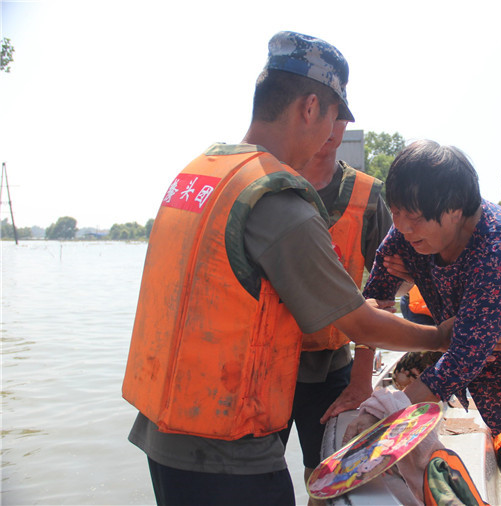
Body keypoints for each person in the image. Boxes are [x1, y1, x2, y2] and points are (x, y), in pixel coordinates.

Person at [122, 32, 450, 506]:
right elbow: (357, 321)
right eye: (333, 117)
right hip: (226, 452)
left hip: (165, 431)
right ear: (310, 108)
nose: (332, 133)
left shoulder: (202, 174)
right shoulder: (276, 201)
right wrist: (442, 336)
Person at [348, 140, 501, 505]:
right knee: (401, 377)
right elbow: (375, 299)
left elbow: (463, 359)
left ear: (456, 210)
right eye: (395, 212)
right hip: (472, 344)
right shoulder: (407, 231)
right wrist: (360, 387)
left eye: (414, 217)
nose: (402, 228)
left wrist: (387, 418)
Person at [278, 118, 393, 498]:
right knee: (260, 474)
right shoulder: (267, 186)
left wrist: (362, 378)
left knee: (326, 474)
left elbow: (383, 293)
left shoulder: (368, 198)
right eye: (318, 112)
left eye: (337, 115)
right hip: (263, 367)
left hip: (330, 365)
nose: (328, 125)